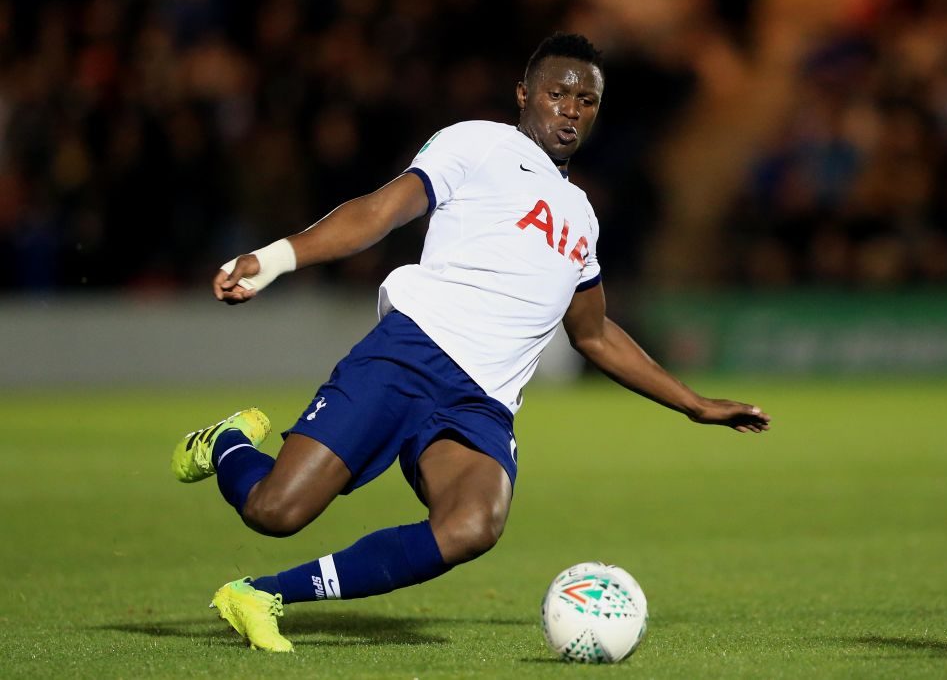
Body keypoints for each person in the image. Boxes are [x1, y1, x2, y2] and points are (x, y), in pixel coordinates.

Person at [171, 32, 771, 653]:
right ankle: (228, 442)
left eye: (586, 100)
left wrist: (695, 404)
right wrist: (273, 259)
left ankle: (261, 594)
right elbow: (379, 213)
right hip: (409, 356)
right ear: (524, 93)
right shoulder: (478, 143)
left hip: (481, 402)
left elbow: (593, 333)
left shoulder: (582, 215)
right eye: (558, 93)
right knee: (275, 511)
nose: (571, 109)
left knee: (472, 525)